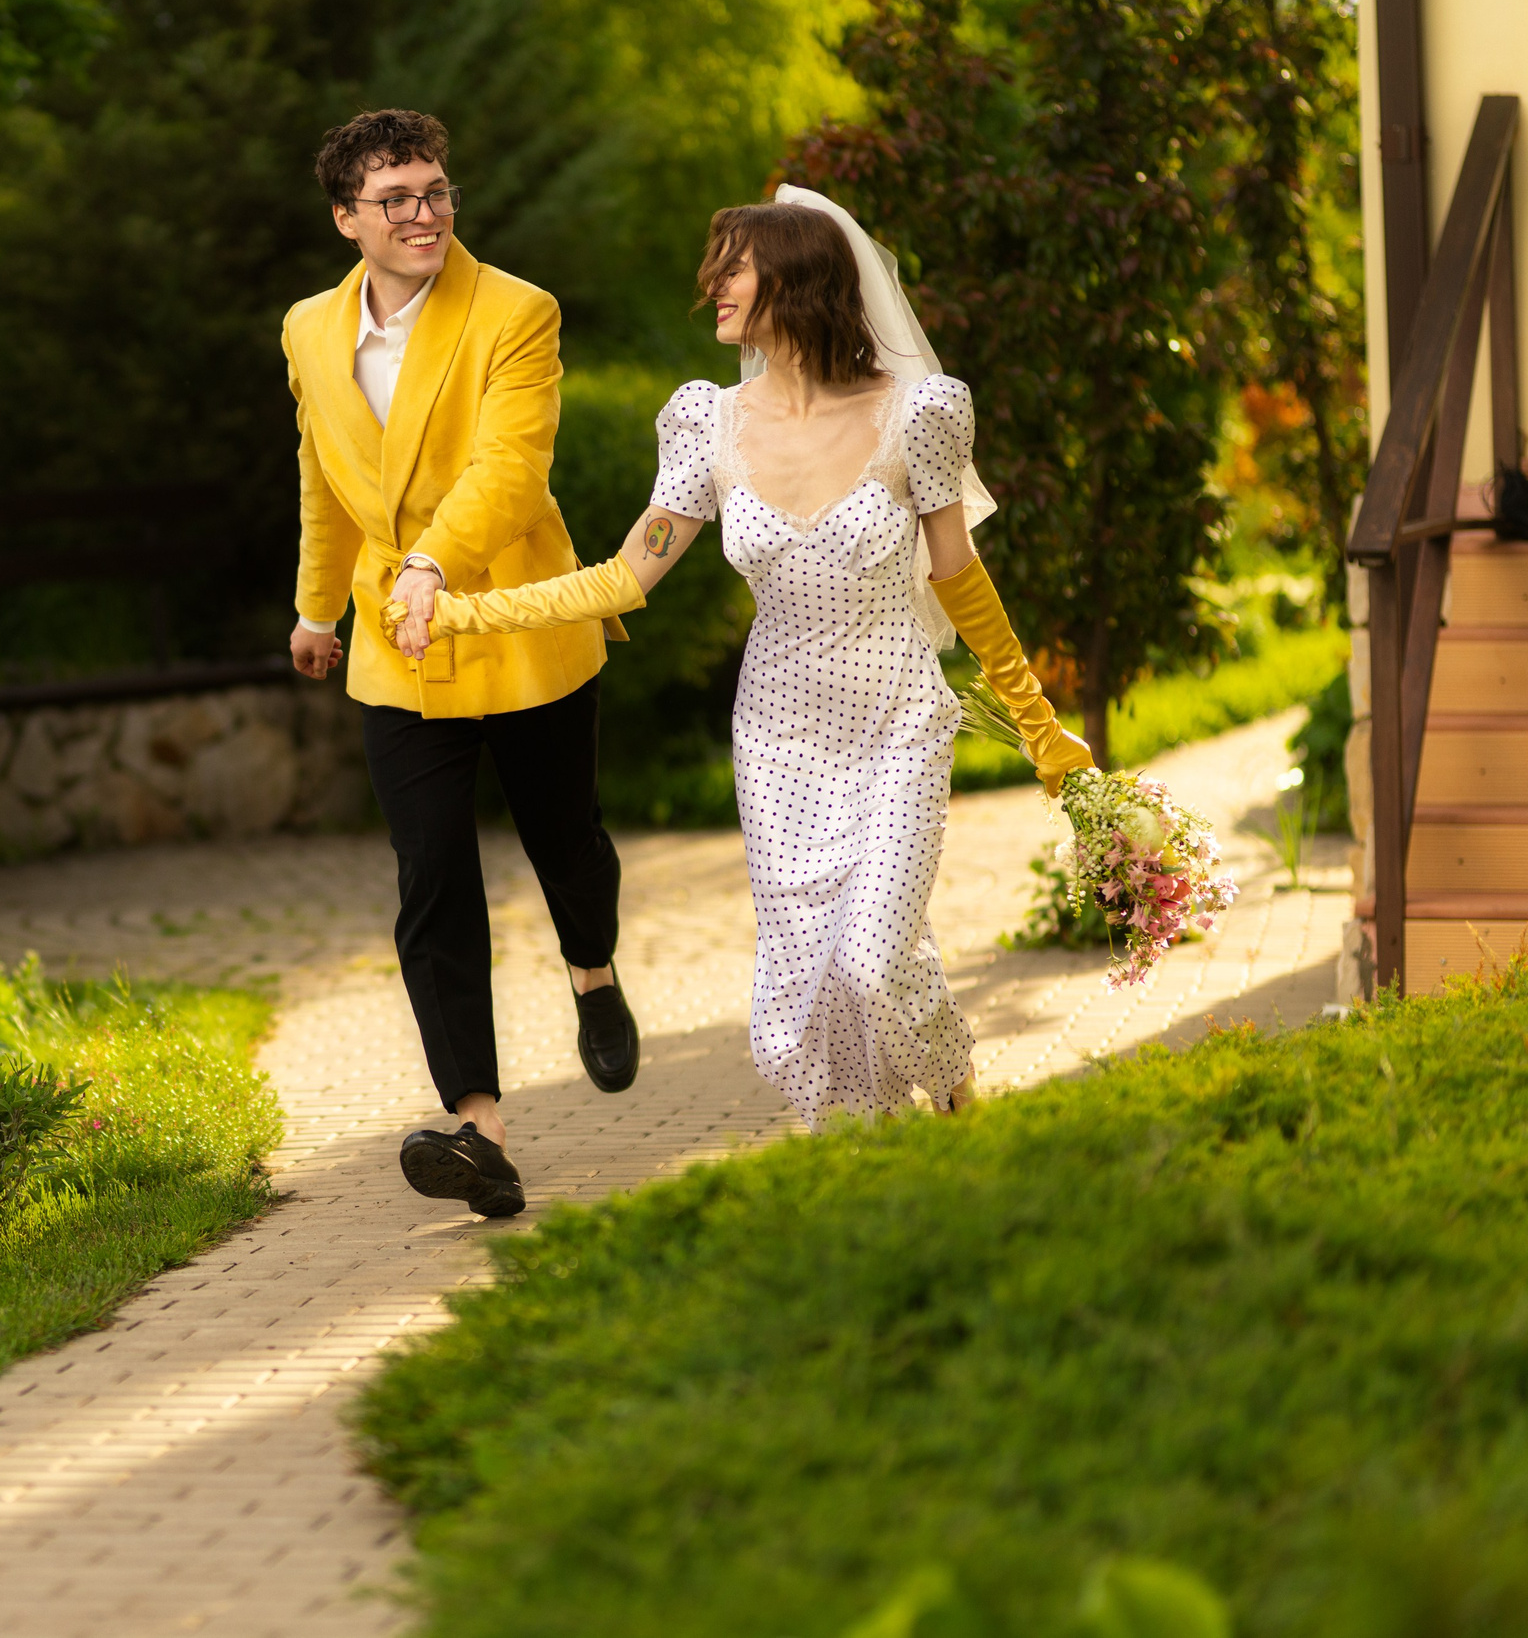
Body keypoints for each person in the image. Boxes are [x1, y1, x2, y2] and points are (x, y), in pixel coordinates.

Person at [388, 188, 1092, 1130]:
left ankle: (953, 1074)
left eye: (734, 267)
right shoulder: (706, 423)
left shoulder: (919, 413)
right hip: (778, 739)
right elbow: (620, 580)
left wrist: (1044, 733)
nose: (711, 285)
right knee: (809, 979)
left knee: (876, 960)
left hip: (896, 719)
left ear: (796, 282)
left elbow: (962, 580)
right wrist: (466, 613)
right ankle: (872, 1154)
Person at [284, 109, 641, 1219]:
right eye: (395, 198)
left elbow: (510, 466)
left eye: (435, 190)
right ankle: (478, 1129)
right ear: (347, 217)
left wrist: (435, 564)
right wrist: (311, 608)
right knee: (431, 876)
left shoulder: (516, 312)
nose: (424, 212)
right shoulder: (305, 329)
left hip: (515, 623)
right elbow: (326, 474)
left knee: (564, 839)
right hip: (395, 651)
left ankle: (592, 969)